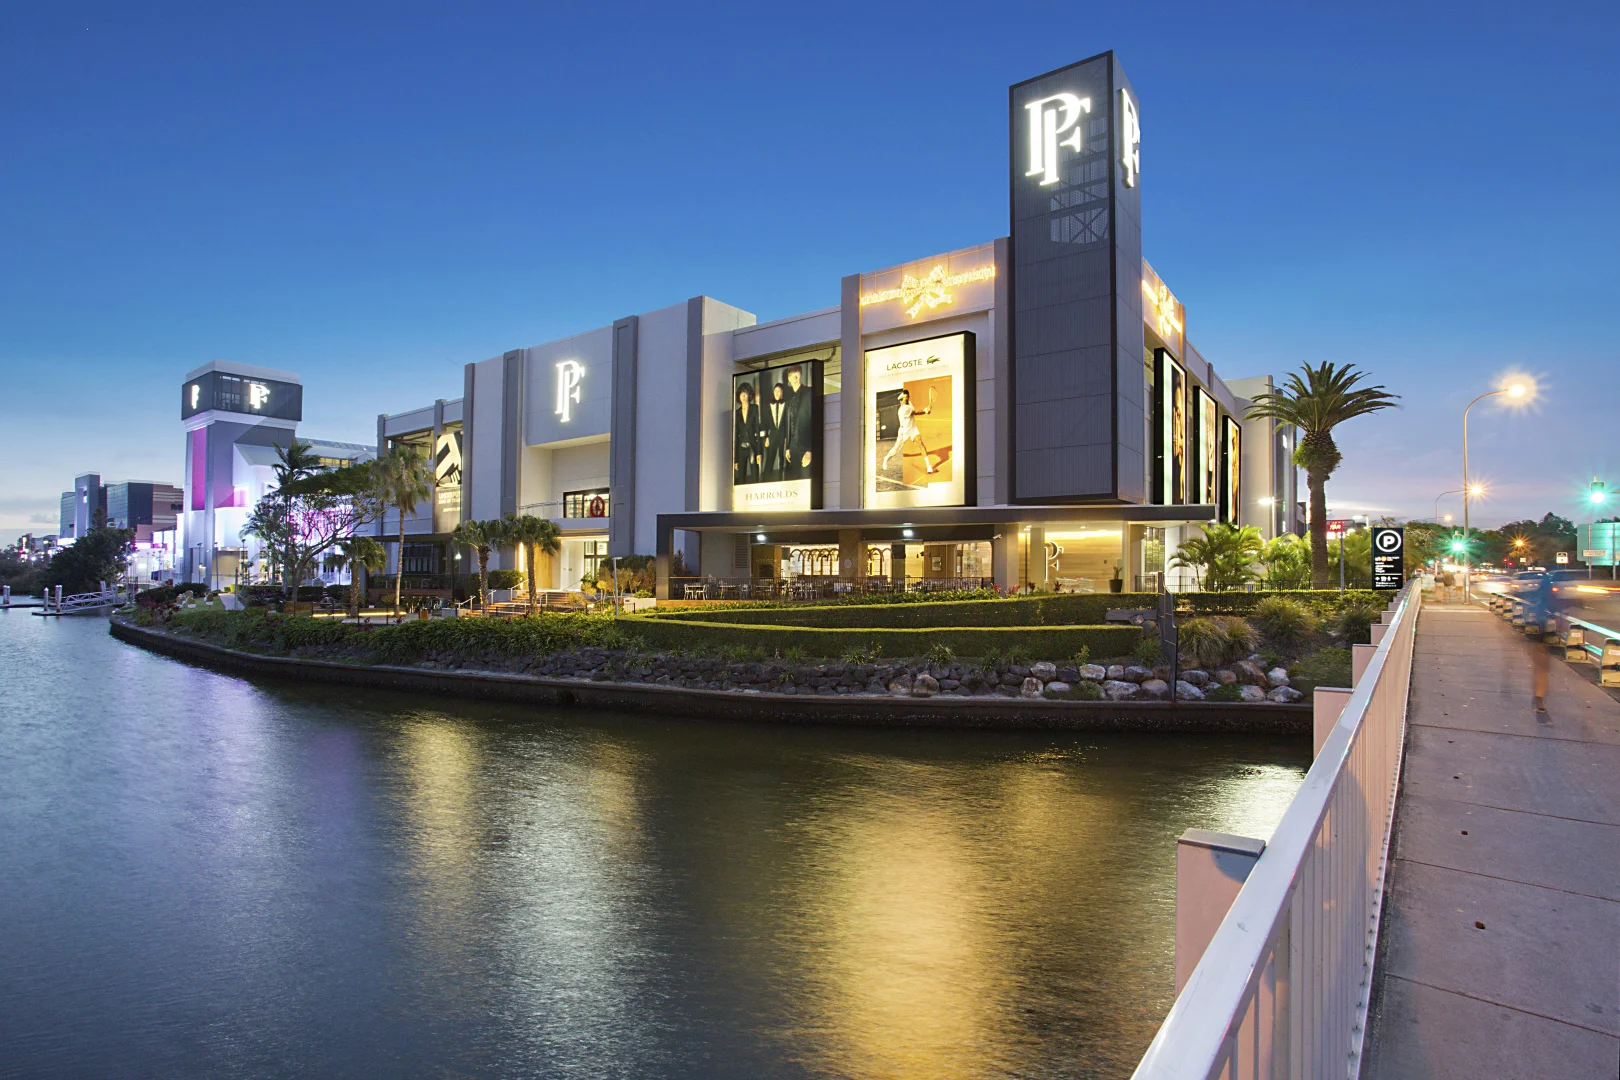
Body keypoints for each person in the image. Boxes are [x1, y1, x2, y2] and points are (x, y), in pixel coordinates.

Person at [881, 387, 935, 476]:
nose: (906, 399)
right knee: (896, 449)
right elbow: (916, 412)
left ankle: (929, 466)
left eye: (907, 397)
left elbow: (916, 410)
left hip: (912, 428)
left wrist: (926, 410)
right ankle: (886, 458)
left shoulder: (909, 403)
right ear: (901, 400)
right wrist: (925, 410)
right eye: (904, 398)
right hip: (904, 431)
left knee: (920, 443)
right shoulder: (903, 409)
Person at [1522, 571, 1552, 713]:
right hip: (1546, 636)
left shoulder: (1538, 596)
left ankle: (1539, 697)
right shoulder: (1551, 597)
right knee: (1543, 668)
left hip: (1538, 637)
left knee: (1540, 668)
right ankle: (1539, 697)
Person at [782, 365, 815, 480]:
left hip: (806, 447)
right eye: (792, 376)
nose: (795, 379)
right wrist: (787, 448)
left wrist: (810, 450)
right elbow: (787, 424)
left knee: (807, 481)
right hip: (792, 448)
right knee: (795, 482)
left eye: (797, 375)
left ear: (801, 375)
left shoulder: (809, 392)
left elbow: (814, 423)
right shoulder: (788, 400)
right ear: (788, 379)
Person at [733, 383, 762, 484]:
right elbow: (735, 435)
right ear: (739, 396)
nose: (744, 397)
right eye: (741, 394)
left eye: (745, 394)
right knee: (741, 478)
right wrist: (735, 459)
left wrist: (759, 452)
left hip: (752, 448)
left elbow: (758, 431)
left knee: (755, 477)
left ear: (749, 395)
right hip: (741, 449)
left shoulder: (754, 408)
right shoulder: (736, 413)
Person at [763, 382, 788, 481]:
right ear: (773, 392)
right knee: (770, 457)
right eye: (775, 390)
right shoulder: (769, 405)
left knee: (782, 457)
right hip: (772, 435)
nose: (777, 393)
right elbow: (766, 423)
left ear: (782, 393)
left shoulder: (786, 404)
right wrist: (766, 437)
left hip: (782, 434)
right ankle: (765, 480)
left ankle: (782, 478)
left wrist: (787, 437)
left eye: (779, 390)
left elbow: (787, 423)